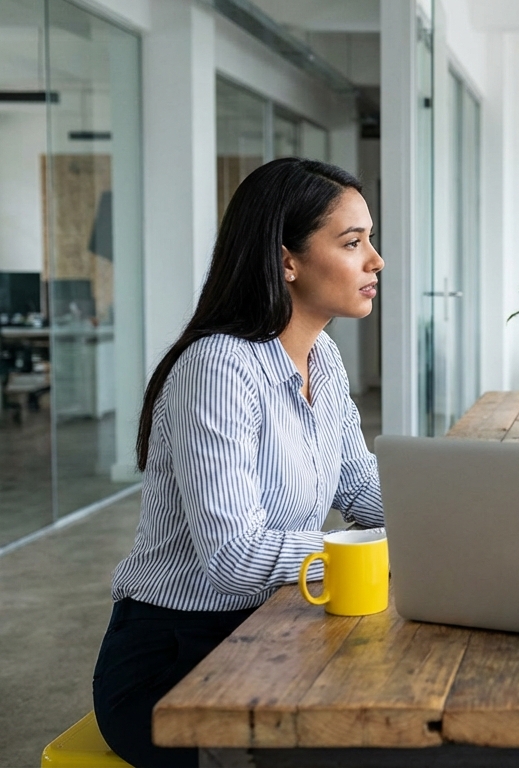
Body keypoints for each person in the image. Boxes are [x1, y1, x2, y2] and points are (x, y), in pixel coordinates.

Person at [92, 158, 386, 768]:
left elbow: (360, 489)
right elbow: (234, 557)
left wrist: (460, 518)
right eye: (353, 243)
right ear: (286, 261)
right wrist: (379, 548)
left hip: (276, 629)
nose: (375, 260)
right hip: (179, 661)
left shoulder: (322, 356)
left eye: (370, 240)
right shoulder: (218, 367)